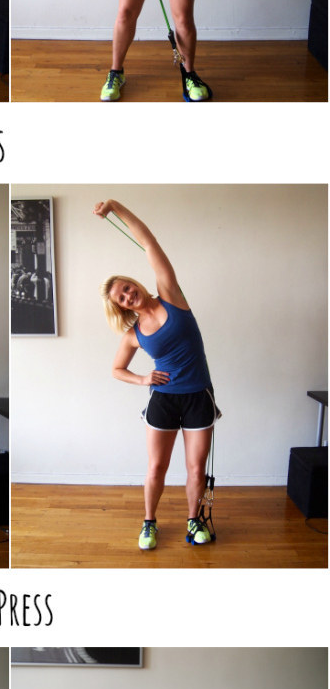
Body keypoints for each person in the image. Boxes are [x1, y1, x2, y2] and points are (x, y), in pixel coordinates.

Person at [96, 196, 218, 550]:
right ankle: (149, 523)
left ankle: (194, 521)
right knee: (156, 469)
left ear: (135, 283)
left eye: (127, 287)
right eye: (122, 297)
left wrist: (116, 207)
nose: (128, 295)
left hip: (198, 395)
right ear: (120, 306)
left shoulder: (171, 296)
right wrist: (143, 379)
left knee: (196, 469)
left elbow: (148, 242)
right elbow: (116, 369)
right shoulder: (133, 333)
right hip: (163, 400)